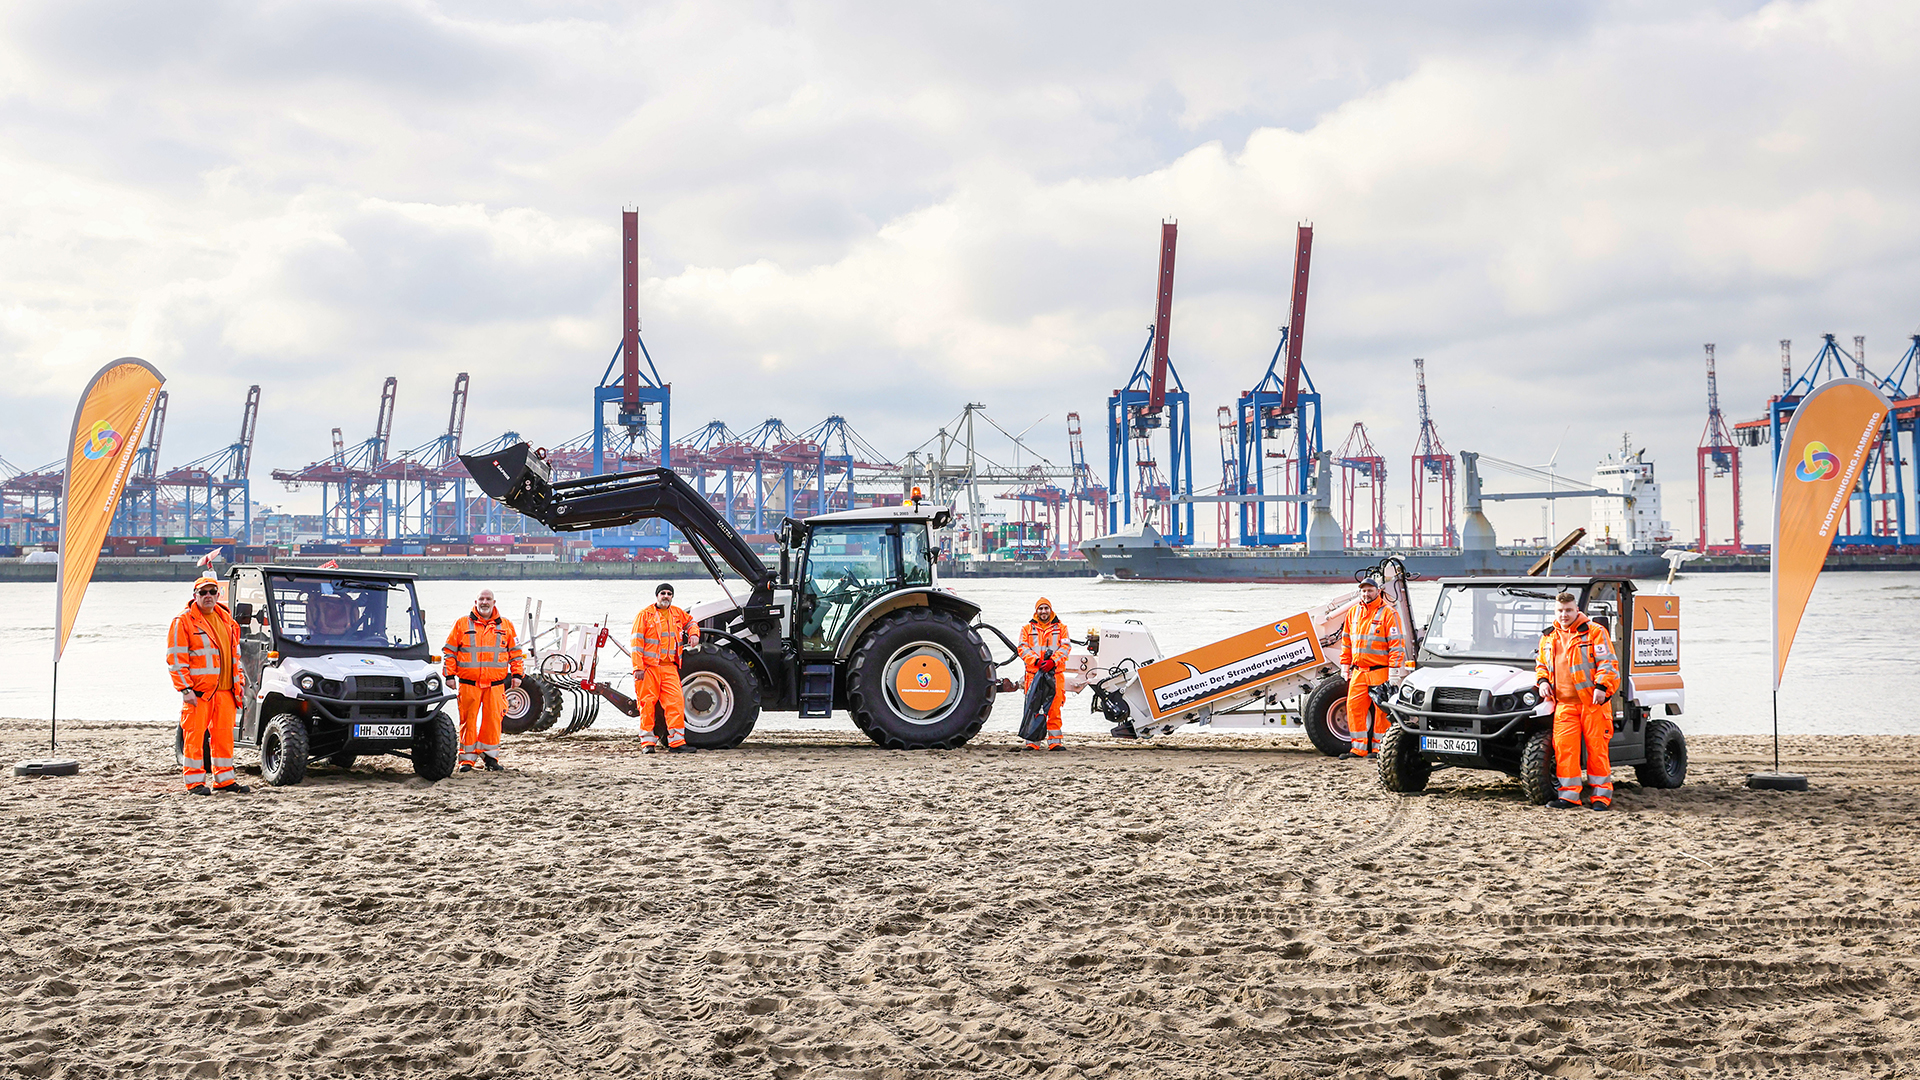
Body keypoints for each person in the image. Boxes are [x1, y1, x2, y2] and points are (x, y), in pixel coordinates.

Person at [167, 573, 250, 795]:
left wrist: (239, 683)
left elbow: (235, 657)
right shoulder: (183, 621)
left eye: (212, 592)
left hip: (226, 692)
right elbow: (176, 659)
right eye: (203, 593)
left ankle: (224, 780)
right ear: (195, 596)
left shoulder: (227, 621)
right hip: (199, 693)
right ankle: (194, 783)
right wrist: (185, 689)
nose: (208, 596)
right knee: (194, 737)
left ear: (218, 594)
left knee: (224, 738)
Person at [1536, 591, 1621, 810]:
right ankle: (1569, 797)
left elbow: (1608, 664)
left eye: (1568, 610)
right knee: (1565, 750)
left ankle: (1601, 798)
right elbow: (1541, 665)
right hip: (1563, 705)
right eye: (1560, 611)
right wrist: (1543, 681)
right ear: (1556, 611)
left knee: (1597, 751)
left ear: (1577, 610)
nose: (1564, 615)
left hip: (1592, 704)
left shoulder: (1594, 632)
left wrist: (1602, 687)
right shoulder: (1548, 636)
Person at [442, 589, 524, 773]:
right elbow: (449, 651)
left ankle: (490, 758)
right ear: (475, 601)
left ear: (494, 602)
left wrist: (517, 675)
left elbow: (516, 653)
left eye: (488, 599)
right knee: (468, 721)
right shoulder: (461, 624)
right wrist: (449, 675)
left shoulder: (506, 626)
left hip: (495, 685)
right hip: (468, 683)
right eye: (481, 599)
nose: (484, 602)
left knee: (493, 722)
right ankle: (467, 760)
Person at [1339, 575, 1406, 758]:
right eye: (1363, 590)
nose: (1366, 593)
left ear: (1378, 591)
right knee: (1353, 708)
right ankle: (1358, 749)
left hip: (1380, 671)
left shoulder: (1389, 613)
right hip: (1358, 671)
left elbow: (1396, 644)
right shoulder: (1353, 613)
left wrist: (1394, 671)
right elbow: (1346, 643)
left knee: (1381, 712)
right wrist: (1345, 666)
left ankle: (1378, 749)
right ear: (1359, 592)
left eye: (1370, 590)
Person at [632, 582, 700, 754]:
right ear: (657, 596)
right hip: (649, 668)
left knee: (676, 704)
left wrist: (693, 634)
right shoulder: (644, 615)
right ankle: (647, 744)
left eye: (669, 593)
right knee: (647, 705)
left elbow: (691, 622)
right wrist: (637, 668)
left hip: (670, 667)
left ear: (672, 597)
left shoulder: (677, 613)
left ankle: (677, 744)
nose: (666, 596)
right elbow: (636, 644)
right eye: (663, 593)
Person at [1017, 597, 1070, 750]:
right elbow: (1022, 648)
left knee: (1054, 707)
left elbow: (1065, 647)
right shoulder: (1027, 629)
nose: (1043, 611)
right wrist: (1037, 662)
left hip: (1054, 673)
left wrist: (1053, 661)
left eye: (1046, 608)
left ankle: (1055, 742)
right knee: (1033, 707)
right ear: (1036, 611)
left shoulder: (1061, 628)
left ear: (1050, 610)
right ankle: (1033, 742)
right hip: (1034, 674)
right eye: (1041, 608)